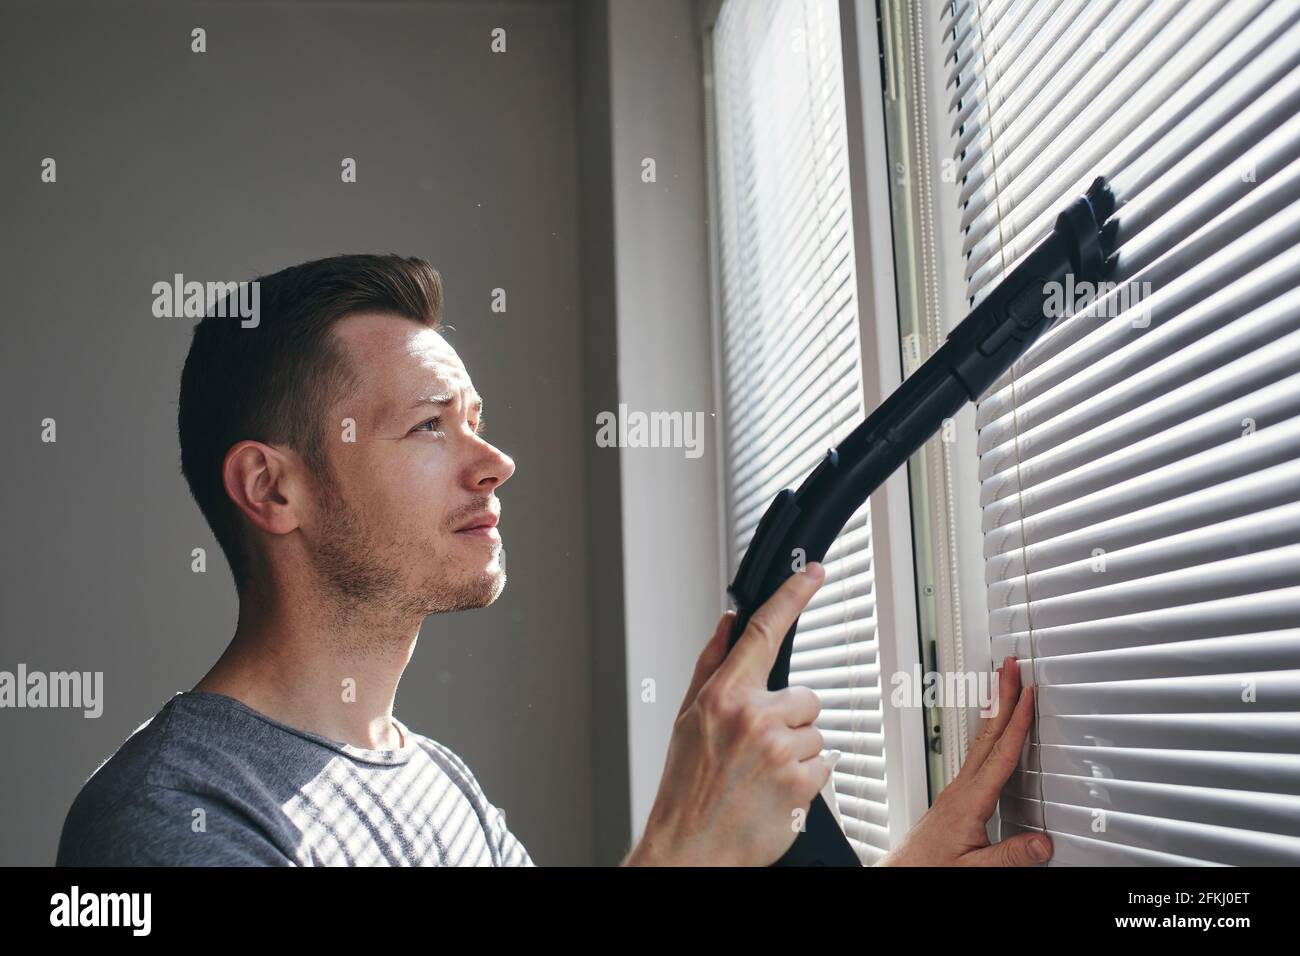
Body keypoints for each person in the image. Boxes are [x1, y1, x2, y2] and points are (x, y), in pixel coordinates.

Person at [56, 254, 1051, 867]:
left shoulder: (437, 787)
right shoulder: (165, 819)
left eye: (477, 424)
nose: (495, 463)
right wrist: (681, 847)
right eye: (429, 427)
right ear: (274, 489)